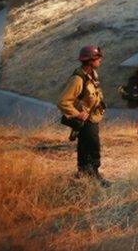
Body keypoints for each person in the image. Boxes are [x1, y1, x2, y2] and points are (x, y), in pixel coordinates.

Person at [57, 45, 108, 185]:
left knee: (85, 146)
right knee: (93, 147)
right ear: (90, 61)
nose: (100, 60)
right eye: (98, 58)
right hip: (85, 120)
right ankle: (93, 175)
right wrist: (77, 114)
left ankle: (85, 174)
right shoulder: (78, 79)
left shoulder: (92, 74)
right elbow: (63, 102)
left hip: (92, 117)